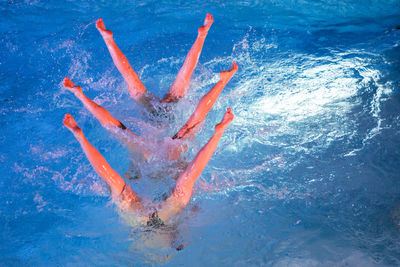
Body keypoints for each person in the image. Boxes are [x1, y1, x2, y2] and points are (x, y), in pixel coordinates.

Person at [63, 13, 237, 228]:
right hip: (153, 148)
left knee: (188, 117)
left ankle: (216, 69)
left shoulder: (147, 161)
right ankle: (84, 91)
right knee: (128, 106)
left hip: (166, 148)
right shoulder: (142, 158)